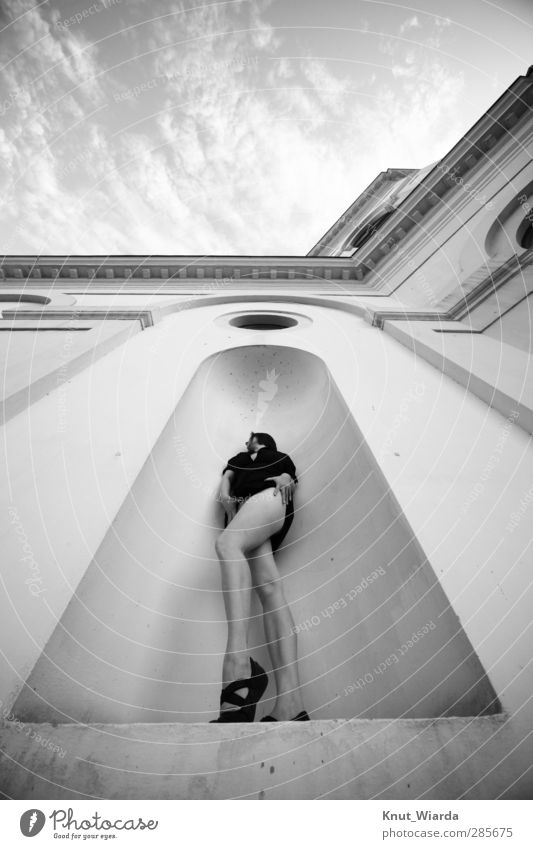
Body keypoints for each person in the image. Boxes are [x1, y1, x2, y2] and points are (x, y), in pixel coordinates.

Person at [210, 432, 310, 722]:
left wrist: (286, 479)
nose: (246, 443)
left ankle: (238, 667)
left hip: (270, 500)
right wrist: (225, 493)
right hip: (245, 512)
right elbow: (225, 483)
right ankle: (291, 706)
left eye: (250, 439)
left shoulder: (275, 455)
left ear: (260, 439)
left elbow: (288, 475)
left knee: (227, 545)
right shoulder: (238, 461)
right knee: (268, 587)